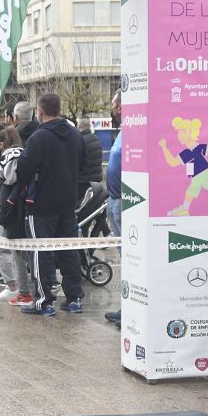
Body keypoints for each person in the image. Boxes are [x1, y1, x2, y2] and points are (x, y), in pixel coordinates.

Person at [15, 93, 86, 316]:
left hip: (41, 205)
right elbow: (84, 165)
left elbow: (23, 170)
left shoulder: (39, 137)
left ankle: (44, 301)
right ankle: (74, 298)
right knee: (69, 250)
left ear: (41, 111)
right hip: (67, 203)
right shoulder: (75, 134)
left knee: (40, 252)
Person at [0, 126, 34, 305]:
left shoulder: (9, 155)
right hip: (22, 207)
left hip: (10, 207)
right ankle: (22, 289)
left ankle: (18, 289)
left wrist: (2, 207)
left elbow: (9, 180)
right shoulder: (24, 152)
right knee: (22, 252)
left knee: (8, 249)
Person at [104, 92, 123, 326]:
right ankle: (125, 305)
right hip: (114, 198)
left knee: (130, 256)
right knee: (123, 255)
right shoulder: (122, 131)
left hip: (124, 200)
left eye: (115, 106)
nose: (114, 110)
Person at [77, 116, 103, 197]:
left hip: (84, 182)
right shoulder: (96, 138)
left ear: (79, 126)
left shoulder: (80, 140)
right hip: (97, 181)